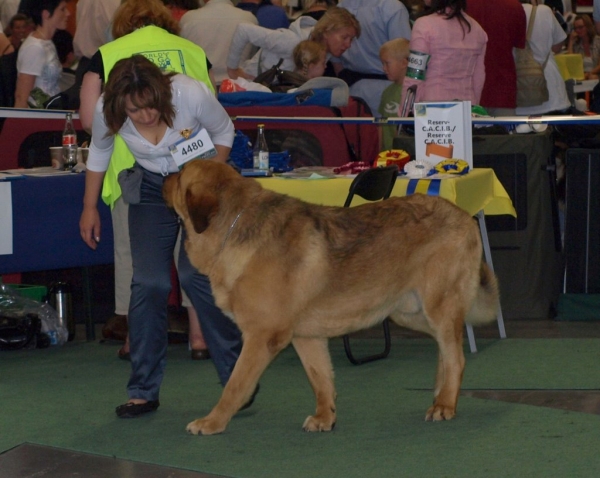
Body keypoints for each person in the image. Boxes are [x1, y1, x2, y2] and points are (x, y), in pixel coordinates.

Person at [80, 55, 244, 418]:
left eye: (151, 106)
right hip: (151, 190)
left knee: (194, 275)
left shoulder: (189, 93)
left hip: (198, 184)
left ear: (162, 93)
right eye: (134, 111)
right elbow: (99, 151)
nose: (145, 116)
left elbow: (224, 132)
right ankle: (142, 390)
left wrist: (206, 179)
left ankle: (238, 378)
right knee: (149, 283)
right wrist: (89, 208)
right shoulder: (108, 108)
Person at [78, 0, 220, 362]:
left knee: (136, 259)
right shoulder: (193, 51)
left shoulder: (107, 54)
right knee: (192, 251)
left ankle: (133, 339)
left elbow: (87, 121)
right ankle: (200, 337)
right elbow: (214, 104)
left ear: (123, 24)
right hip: (191, 169)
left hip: (132, 171)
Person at [227, 6, 359, 80]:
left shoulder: (324, 50)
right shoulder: (292, 41)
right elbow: (243, 30)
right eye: (344, 37)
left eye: (351, 39)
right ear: (326, 31)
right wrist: (232, 69)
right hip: (249, 89)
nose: (348, 45)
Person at [333, 0, 412, 116]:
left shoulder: (340, 8)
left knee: (355, 132)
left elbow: (336, 60)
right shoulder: (392, 8)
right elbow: (404, 54)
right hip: (387, 90)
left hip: (350, 90)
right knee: (386, 132)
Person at [402, 0, 487, 106]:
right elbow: (478, 77)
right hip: (467, 105)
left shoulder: (424, 25)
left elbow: (414, 75)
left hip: (431, 107)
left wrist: (405, 111)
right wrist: (474, 106)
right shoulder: (477, 29)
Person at [467, 0, 526, 116]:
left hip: (468, 87)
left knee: (467, 133)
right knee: (503, 132)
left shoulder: (462, 6)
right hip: (503, 86)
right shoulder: (515, 7)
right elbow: (518, 45)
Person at [179, 0, 257, 86]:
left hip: (202, 87)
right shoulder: (250, 19)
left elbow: (182, 58)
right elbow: (253, 57)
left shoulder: (188, 19)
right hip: (239, 88)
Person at [515, 0, 570, 116]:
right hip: (550, 90)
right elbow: (557, 47)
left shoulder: (503, 12)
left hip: (518, 91)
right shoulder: (544, 11)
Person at [14, 0, 69, 108]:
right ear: (46, 14)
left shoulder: (47, 43)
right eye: (62, 9)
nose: (68, 13)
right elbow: (22, 96)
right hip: (38, 117)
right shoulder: (34, 48)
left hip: (48, 113)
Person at [72, 0, 120, 86]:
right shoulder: (115, 3)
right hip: (105, 65)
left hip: (85, 65)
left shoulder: (82, 1)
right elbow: (117, 33)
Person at [378, 38, 409, 151]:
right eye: (382, 63)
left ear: (404, 63)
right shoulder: (387, 92)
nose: (384, 68)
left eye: (387, 63)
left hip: (406, 154)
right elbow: (381, 126)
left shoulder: (414, 92)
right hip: (387, 154)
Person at [568, 14, 600, 79]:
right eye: (575, 28)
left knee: (593, 77)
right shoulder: (576, 44)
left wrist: (589, 74)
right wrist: (571, 41)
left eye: (580, 27)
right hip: (580, 77)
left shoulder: (598, 42)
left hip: (595, 75)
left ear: (588, 26)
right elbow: (570, 63)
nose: (577, 30)